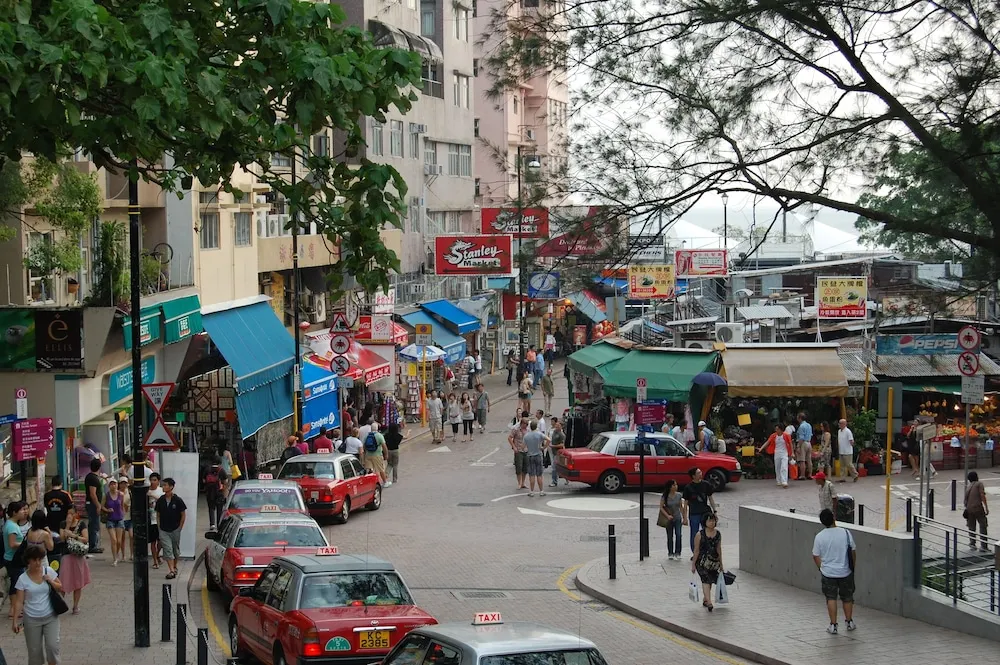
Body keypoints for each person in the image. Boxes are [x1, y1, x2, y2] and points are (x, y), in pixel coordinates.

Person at [11, 544, 63, 665]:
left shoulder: (48, 571)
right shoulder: (22, 579)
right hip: (31, 619)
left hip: (50, 616)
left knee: (52, 647)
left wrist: (50, 580)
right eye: (35, 560)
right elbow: (19, 601)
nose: (38, 563)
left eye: (40, 559)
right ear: (28, 560)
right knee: (35, 653)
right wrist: (14, 621)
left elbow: (60, 587)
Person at [812, 508, 857, 634]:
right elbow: (853, 552)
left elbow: (815, 555)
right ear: (833, 518)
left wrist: (821, 568)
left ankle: (833, 625)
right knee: (847, 597)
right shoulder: (846, 533)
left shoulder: (819, 537)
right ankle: (849, 622)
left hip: (828, 573)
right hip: (845, 571)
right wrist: (852, 567)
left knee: (831, 598)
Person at [57, 505, 90, 614]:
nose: (69, 516)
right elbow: (62, 539)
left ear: (76, 514)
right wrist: (67, 525)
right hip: (66, 555)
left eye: (72, 513)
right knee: (63, 580)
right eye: (68, 513)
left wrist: (74, 536)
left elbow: (85, 539)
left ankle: (75, 606)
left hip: (78, 556)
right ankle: (60, 604)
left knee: (78, 581)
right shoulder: (62, 524)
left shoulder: (81, 524)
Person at [154, 478, 187, 580]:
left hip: (175, 529)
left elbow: (183, 515)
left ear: (171, 487)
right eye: (163, 485)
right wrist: (159, 528)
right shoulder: (160, 500)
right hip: (164, 530)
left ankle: (175, 566)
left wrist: (179, 528)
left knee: (175, 550)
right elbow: (158, 514)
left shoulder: (178, 500)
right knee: (167, 550)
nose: (163, 487)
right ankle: (171, 570)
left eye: (165, 485)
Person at [691, 512, 723, 611]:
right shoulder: (699, 535)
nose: (712, 523)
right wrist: (693, 564)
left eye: (713, 520)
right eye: (710, 520)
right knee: (705, 579)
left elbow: (719, 549)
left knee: (710, 580)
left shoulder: (717, 534)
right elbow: (696, 550)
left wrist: (721, 563)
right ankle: (709, 602)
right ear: (705, 522)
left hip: (713, 562)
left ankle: (705, 599)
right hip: (701, 562)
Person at [681, 468, 717, 556]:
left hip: (705, 512)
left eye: (700, 472)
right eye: (698, 473)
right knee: (694, 532)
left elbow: (711, 498)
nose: (701, 473)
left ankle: (706, 551)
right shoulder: (688, 487)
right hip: (694, 513)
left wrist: (715, 511)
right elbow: (685, 504)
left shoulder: (706, 484)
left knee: (707, 532)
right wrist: (685, 517)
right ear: (693, 476)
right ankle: (695, 552)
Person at [4, 501, 29, 617]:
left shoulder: (11, 524)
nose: (24, 512)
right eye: (21, 510)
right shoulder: (12, 526)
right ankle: (14, 610)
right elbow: (12, 543)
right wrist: (25, 543)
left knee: (15, 583)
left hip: (13, 558)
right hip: (13, 558)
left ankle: (14, 609)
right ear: (14, 512)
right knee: (16, 585)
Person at [100, 477, 127, 565]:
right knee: (113, 540)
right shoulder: (106, 495)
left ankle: (117, 553)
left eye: (114, 484)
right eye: (111, 484)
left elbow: (122, 506)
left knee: (119, 541)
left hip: (119, 518)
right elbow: (102, 506)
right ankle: (115, 558)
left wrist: (123, 514)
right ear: (109, 486)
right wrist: (107, 510)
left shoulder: (121, 494)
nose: (113, 486)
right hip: (110, 519)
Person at [964, 471, 990, 552]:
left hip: (969, 509)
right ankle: (983, 546)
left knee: (971, 527)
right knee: (983, 525)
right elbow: (982, 495)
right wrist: (986, 507)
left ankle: (972, 544)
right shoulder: (979, 484)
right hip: (978, 508)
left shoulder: (968, 486)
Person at [761, 424, 793, 488]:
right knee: (777, 467)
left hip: (784, 453)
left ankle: (784, 481)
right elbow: (768, 442)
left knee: (784, 467)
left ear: (781, 430)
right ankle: (779, 480)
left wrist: (792, 453)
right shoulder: (773, 435)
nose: (776, 430)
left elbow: (790, 444)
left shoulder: (786, 435)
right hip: (777, 453)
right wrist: (761, 448)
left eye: (777, 429)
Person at [83, 458, 104, 553]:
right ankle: (93, 546)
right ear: (99, 467)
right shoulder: (93, 479)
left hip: (91, 504)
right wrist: (98, 505)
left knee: (94, 524)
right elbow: (93, 494)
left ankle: (94, 544)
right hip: (92, 504)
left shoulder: (91, 477)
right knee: (94, 525)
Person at [523, 419, 548, 497]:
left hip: (530, 455)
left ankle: (532, 491)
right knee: (539, 474)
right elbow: (548, 439)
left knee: (531, 474)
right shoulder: (539, 434)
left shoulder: (526, 436)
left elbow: (523, 447)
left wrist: (526, 449)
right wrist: (543, 447)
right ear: (536, 426)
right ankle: (541, 491)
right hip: (538, 454)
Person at [660, 479, 683, 560]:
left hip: (677, 517)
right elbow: (661, 507)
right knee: (670, 536)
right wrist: (667, 516)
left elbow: (680, 506)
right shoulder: (665, 496)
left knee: (679, 535)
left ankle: (678, 552)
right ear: (670, 487)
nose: (676, 486)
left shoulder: (679, 495)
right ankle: (670, 552)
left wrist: (684, 516)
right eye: (674, 485)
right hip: (669, 519)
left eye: (676, 485)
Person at [203, 456, 229, 531]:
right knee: (219, 509)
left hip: (209, 492)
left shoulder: (207, 469)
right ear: (220, 462)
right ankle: (219, 524)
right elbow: (226, 481)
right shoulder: (221, 470)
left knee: (211, 508)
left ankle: (212, 524)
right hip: (219, 492)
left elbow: (204, 480)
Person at [147, 472, 165, 569]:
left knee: (161, 541)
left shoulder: (161, 491)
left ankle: (157, 554)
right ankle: (155, 560)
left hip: (161, 519)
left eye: (155, 480)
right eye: (151, 480)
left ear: (158, 481)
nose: (152, 482)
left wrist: (153, 496)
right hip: (151, 520)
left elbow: (163, 501)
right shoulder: (147, 492)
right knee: (153, 542)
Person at [508, 414, 530, 490]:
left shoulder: (528, 430)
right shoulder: (516, 429)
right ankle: (519, 483)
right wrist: (514, 447)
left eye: (527, 424)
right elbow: (510, 438)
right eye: (525, 424)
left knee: (525, 467)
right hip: (519, 450)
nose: (526, 426)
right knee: (519, 467)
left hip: (526, 450)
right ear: (521, 424)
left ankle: (523, 483)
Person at [548, 419, 567, 488]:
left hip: (558, 452)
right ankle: (565, 479)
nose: (556, 426)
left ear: (561, 427)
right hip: (553, 452)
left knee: (554, 467)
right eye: (556, 425)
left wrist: (553, 446)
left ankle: (554, 481)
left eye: (558, 425)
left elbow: (562, 445)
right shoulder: (554, 432)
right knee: (558, 467)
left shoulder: (562, 435)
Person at [796, 413, 814, 480]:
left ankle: (802, 475)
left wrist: (798, 446)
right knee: (809, 460)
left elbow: (801, 438)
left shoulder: (801, 426)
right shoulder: (809, 425)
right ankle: (810, 474)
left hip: (803, 443)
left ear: (800, 418)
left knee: (802, 460)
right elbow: (811, 435)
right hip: (809, 442)